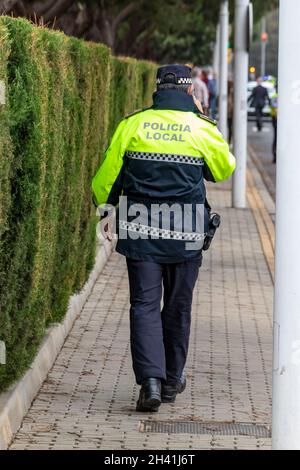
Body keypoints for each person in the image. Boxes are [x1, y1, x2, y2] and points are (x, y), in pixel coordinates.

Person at [92, 64, 236, 412]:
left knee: (143, 305)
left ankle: (151, 383)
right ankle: (172, 380)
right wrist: (203, 122)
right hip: (186, 233)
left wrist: (105, 210)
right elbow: (223, 169)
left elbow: (105, 180)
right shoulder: (201, 129)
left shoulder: (133, 124)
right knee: (177, 306)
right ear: (190, 91)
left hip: (140, 231)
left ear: (156, 89)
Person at [270, 87, 278, 163]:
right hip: (275, 119)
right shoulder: (275, 96)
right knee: (276, 137)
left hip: (276, 119)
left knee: (276, 138)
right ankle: (275, 155)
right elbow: (273, 105)